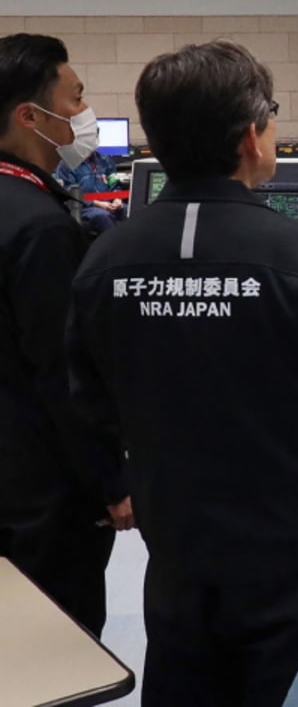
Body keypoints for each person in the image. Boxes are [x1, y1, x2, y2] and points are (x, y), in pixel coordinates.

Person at [65, 40, 298, 707]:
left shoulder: (105, 260)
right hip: (291, 556)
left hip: (178, 557)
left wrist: (117, 480)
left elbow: (84, 404)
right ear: (252, 135)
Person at [0, 33, 132, 637]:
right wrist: (111, 481)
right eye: (76, 100)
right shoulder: (38, 228)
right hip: (42, 493)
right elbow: (62, 370)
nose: (86, 116)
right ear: (30, 115)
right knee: (61, 647)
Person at [56, 148, 126, 236]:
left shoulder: (105, 159)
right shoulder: (67, 164)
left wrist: (117, 198)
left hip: (108, 203)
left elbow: (114, 183)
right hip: (83, 206)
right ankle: (113, 247)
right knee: (103, 216)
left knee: (128, 209)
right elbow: (70, 192)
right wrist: (97, 203)